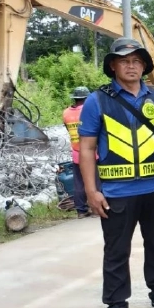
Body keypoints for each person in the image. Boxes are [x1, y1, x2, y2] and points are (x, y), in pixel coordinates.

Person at [78, 38, 154, 308]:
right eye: (124, 61)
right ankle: (116, 305)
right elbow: (86, 148)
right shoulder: (97, 100)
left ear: (144, 66)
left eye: (137, 61)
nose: (132, 66)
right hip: (116, 192)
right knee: (116, 251)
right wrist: (91, 191)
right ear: (113, 65)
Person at [63, 86, 91, 218]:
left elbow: (68, 129)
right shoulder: (88, 110)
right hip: (91, 152)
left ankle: (81, 210)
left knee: (79, 182)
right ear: (86, 98)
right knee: (96, 180)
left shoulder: (66, 113)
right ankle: (97, 208)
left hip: (76, 152)